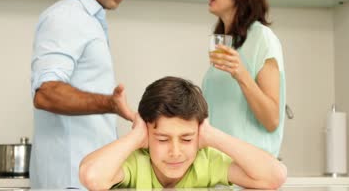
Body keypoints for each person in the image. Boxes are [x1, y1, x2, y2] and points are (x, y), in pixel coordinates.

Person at [29, 0, 141, 189]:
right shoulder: (67, 17)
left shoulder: (90, 22)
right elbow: (45, 93)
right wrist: (109, 103)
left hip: (86, 179)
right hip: (70, 180)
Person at [79, 76, 287, 189]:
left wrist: (212, 135)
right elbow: (92, 177)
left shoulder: (204, 161)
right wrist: (135, 136)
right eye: (162, 139)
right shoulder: (136, 161)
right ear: (146, 135)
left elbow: (274, 176)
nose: (175, 152)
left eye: (187, 138)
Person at [202, 0, 286, 157]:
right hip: (220, 172)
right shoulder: (225, 44)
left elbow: (271, 119)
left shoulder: (262, 38)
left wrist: (241, 74)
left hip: (249, 174)